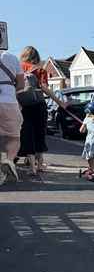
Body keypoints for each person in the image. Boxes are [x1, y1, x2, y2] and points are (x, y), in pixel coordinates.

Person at [18, 45, 63, 176]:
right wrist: (59, 102)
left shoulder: (19, 69)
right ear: (36, 57)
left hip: (25, 106)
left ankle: (32, 167)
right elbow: (44, 88)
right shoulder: (40, 71)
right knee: (40, 134)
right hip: (39, 105)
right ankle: (40, 165)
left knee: (28, 135)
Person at [0, 50, 25, 183]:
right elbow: (21, 84)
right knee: (13, 137)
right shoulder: (11, 57)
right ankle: (9, 161)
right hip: (8, 101)